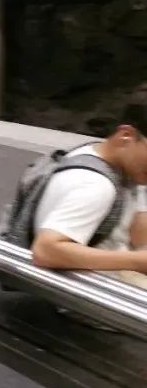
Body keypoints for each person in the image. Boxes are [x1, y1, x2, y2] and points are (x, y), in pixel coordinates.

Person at [30, 106, 147, 284]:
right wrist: (137, 261)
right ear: (126, 135)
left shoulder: (99, 155)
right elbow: (46, 251)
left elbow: (138, 233)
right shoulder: (96, 185)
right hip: (89, 290)